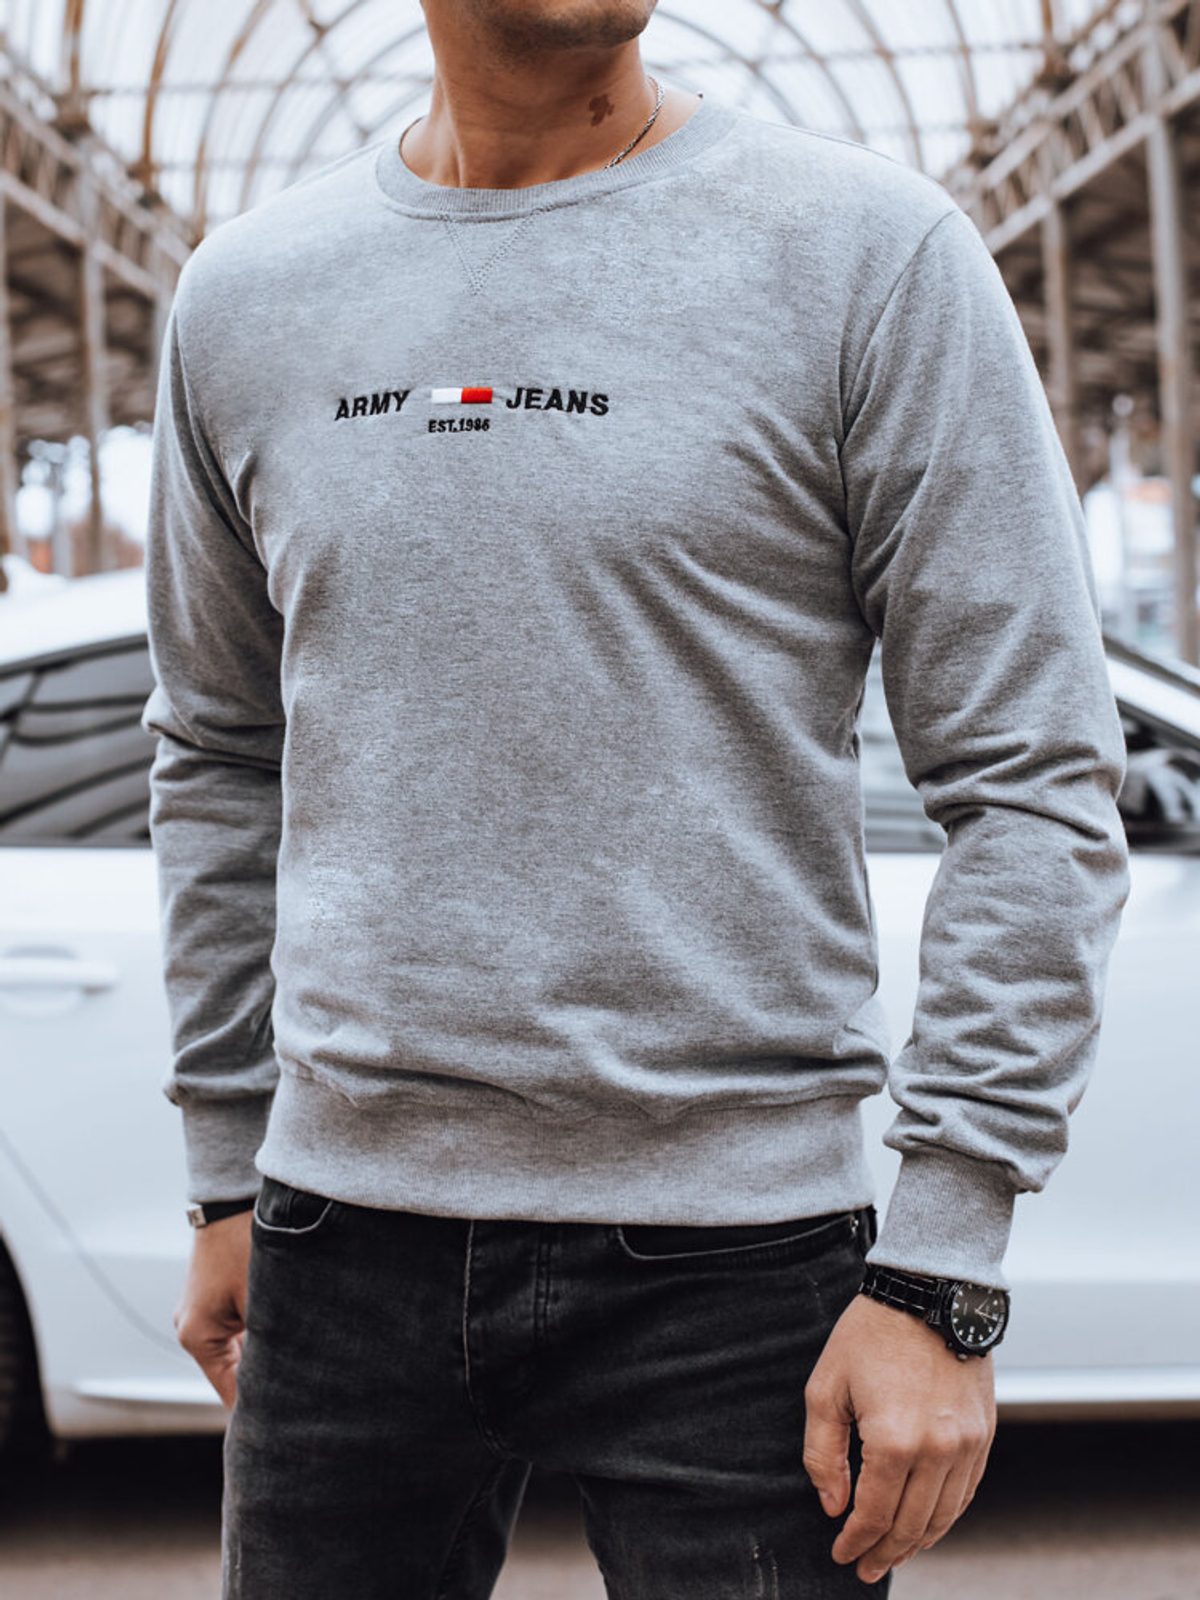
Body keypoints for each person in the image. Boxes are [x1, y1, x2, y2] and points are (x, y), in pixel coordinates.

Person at [139, 3, 1131, 1596]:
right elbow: (218, 750)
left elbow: (1031, 773)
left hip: (741, 1269)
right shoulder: (247, 295)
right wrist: (223, 1159)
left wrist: (943, 1267)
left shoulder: (869, 257)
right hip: (340, 1242)